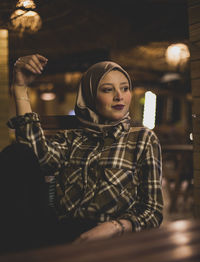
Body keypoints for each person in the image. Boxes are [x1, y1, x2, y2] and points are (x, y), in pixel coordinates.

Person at [1, 54, 163, 251]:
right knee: (15, 153)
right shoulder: (71, 138)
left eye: (125, 88)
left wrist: (116, 227)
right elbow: (34, 157)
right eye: (107, 90)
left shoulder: (142, 139)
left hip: (108, 237)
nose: (119, 96)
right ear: (89, 96)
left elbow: (152, 210)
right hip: (57, 230)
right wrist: (20, 88)